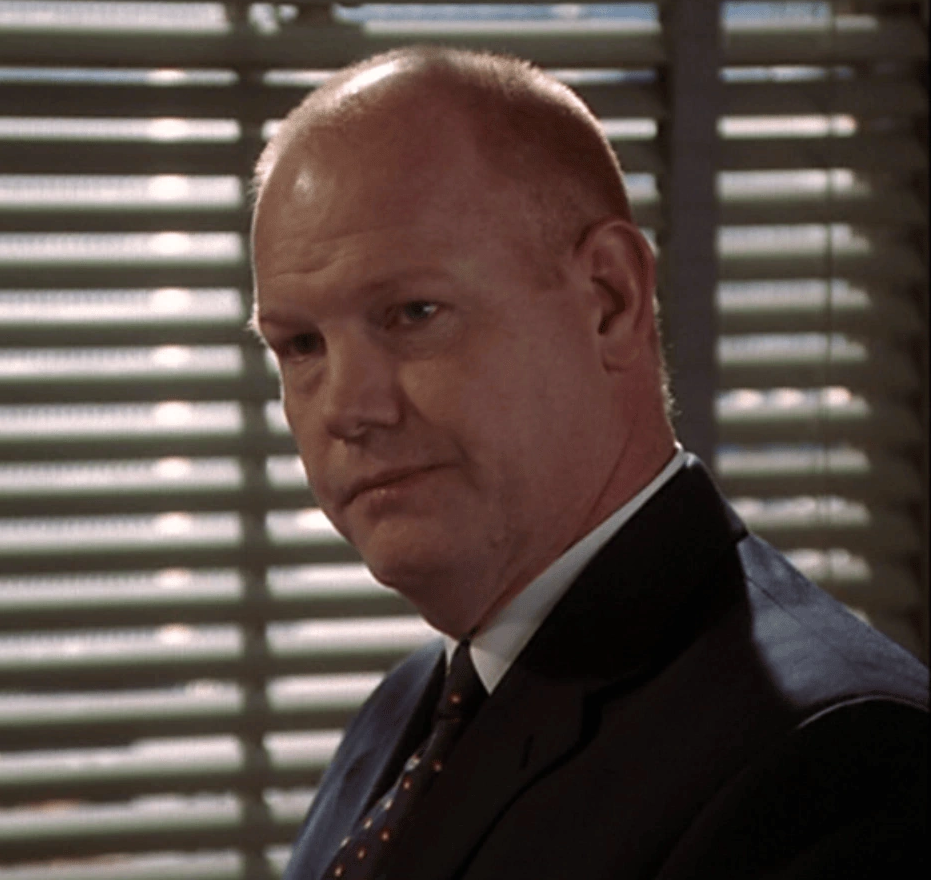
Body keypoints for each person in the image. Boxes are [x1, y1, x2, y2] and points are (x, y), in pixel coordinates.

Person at [249, 46, 928, 880]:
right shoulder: (396, 721)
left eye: (413, 312)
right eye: (300, 345)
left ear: (610, 301)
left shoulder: (841, 765)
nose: (348, 408)